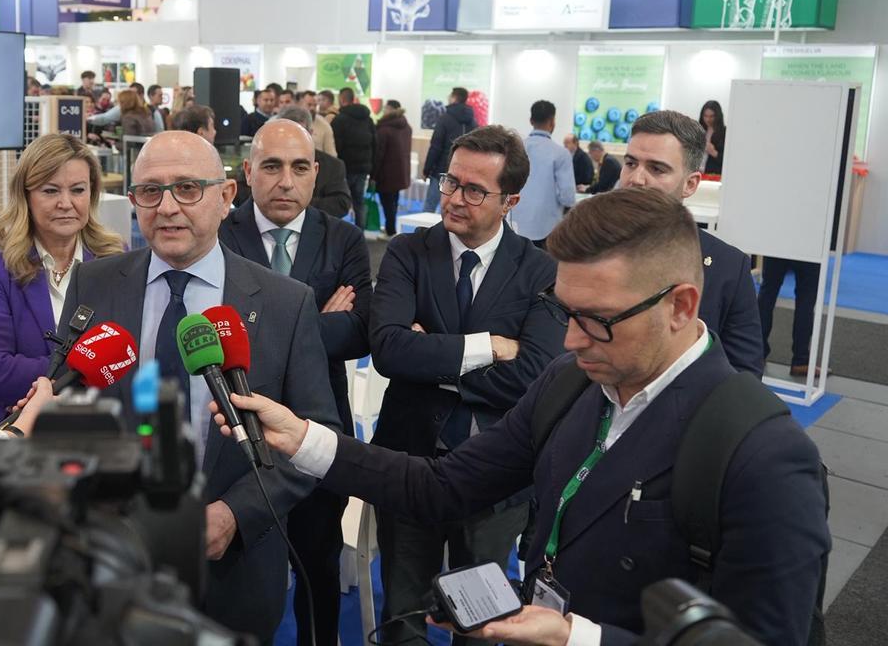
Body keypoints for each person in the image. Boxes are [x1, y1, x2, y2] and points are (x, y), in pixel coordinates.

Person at [212, 187, 829, 646]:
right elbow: (442, 485)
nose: (571, 341)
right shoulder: (572, 384)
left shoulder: (763, 457)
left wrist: (577, 639)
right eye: (565, 313)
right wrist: (304, 439)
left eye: (597, 320)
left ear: (681, 306)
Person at [54, 131, 342, 641]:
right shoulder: (93, 285)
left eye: (187, 188)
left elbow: (315, 436)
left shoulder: (285, 302)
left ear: (227, 196)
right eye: (149, 191)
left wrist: (234, 514)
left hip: (236, 570)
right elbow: (69, 409)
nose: (166, 208)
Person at [367, 125, 566, 645]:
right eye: (450, 182)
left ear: (511, 200)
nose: (454, 198)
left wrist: (432, 355)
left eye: (474, 189)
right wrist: (488, 347)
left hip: (497, 474)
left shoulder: (541, 269)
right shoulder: (407, 252)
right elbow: (388, 349)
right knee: (401, 615)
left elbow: (535, 376)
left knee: (483, 621)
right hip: (407, 460)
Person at [219, 118, 371, 646]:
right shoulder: (218, 233)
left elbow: (360, 333)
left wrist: (259, 331)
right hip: (232, 435)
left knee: (317, 569)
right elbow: (208, 332)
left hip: (317, 429)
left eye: (300, 168)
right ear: (247, 173)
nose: (286, 181)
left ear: (315, 173)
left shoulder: (346, 238)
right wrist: (313, 320)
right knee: (234, 581)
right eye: (272, 166)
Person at [0, 134, 125, 421]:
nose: (66, 203)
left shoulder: (115, 257)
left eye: (78, 190)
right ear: (25, 195)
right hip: (13, 422)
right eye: (50, 191)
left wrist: (48, 377)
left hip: (97, 424)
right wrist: (89, 369)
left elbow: (129, 357)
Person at [619, 110, 764, 376]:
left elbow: (745, 375)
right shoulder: (587, 249)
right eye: (630, 163)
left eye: (656, 169)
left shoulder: (727, 267)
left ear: (690, 184)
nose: (636, 179)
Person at [511, 101, 577, 249]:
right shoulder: (561, 153)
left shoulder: (517, 148)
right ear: (553, 121)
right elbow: (567, 197)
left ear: (531, 121)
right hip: (546, 231)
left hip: (513, 225)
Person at [757, 257, 822, 377]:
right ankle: (801, 360)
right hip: (809, 245)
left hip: (779, 242)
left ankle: (757, 354)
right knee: (806, 298)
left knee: (767, 292)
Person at [422, 87, 477, 213]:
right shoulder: (473, 122)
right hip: (465, 174)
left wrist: (426, 170)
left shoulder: (444, 119)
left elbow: (435, 147)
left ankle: (424, 232)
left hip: (441, 171)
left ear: (454, 98)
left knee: (429, 207)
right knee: (453, 209)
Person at [331, 87, 377, 229]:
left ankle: (336, 233)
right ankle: (359, 232)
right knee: (359, 201)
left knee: (339, 201)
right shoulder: (368, 120)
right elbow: (375, 144)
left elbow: (336, 146)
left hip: (344, 168)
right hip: (363, 168)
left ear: (342, 100)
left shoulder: (339, 120)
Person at [373, 100, 413, 238]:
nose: (384, 110)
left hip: (386, 173)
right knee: (393, 201)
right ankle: (391, 227)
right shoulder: (406, 127)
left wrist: (373, 174)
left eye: (385, 108)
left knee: (387, 202)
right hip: (400, 171)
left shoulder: (384, 130)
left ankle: (390, 230)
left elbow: (379, 155)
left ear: (390, 109)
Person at [302, 90, 338, 158]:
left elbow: (332, 156)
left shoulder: (325, 126)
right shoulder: (292, 122)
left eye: (315, 105)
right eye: (309, 105)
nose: (312, 108)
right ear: (300, 104)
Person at [699, 100, 726, 174]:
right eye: (705, 116)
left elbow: (728, 160)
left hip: (713, 175)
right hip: (697, 172)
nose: (708, 119)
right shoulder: (699, 130)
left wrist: (713, 152)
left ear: (718, 116)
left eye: (712, 116)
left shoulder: (724, 133)